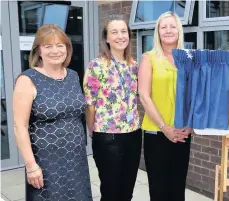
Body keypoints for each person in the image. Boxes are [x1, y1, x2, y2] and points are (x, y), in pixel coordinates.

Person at [13, 24, 92, 201]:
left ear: (67, 48)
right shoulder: (27, 80)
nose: (55, 51)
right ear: (38, 50)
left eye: (60, 45)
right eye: (48, 46)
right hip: (46, 162)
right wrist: (31, 166)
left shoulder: (72, 75)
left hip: (76, 158)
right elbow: (20, 126)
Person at [83, 15, 141, 201]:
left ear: (129, 36)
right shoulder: (96, 65)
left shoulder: (134, 66)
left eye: (123, 31)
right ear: (107, 38)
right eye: (114, 32)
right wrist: (94, 132)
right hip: (107, 136)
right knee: (110, 191)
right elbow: (89, 105)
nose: (120, 36)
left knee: (127, 190)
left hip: (133, 133)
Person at [138, 11, 192, 201]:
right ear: (157, 32)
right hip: (157, 133)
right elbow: (144, 96)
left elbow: (195, 95)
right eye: (163, 27)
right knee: (159, 190)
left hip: (182, 133)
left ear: (179, 30)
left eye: (172, 26)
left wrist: (190, 124)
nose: (168, 30)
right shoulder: (149, 58)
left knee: (177, 188)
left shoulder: (188, 58)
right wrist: (164, 127)